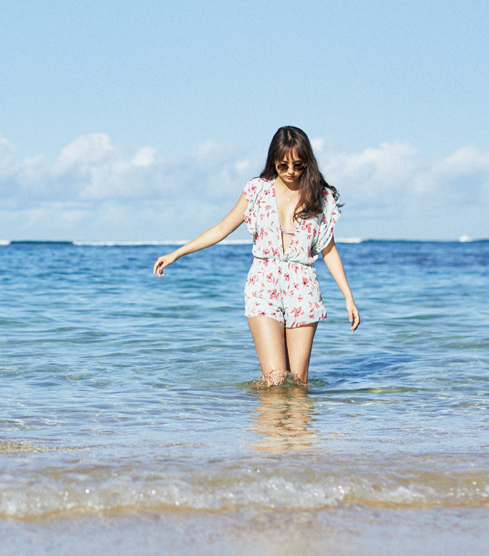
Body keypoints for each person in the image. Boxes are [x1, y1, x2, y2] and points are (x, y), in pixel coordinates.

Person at [153, 126, 359, 386]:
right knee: (274, 380)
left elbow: (328, 250)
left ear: (308, 162)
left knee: (298, 383)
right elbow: (221, 228)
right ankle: (269, 426)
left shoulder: (320, 196)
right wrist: (177, 254)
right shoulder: (257, 191)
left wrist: (348, 297)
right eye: (283, 165)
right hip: (263, 284)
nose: (291, 172)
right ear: (274, 161)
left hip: (303, 286)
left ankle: (299, 428)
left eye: (298, 164)